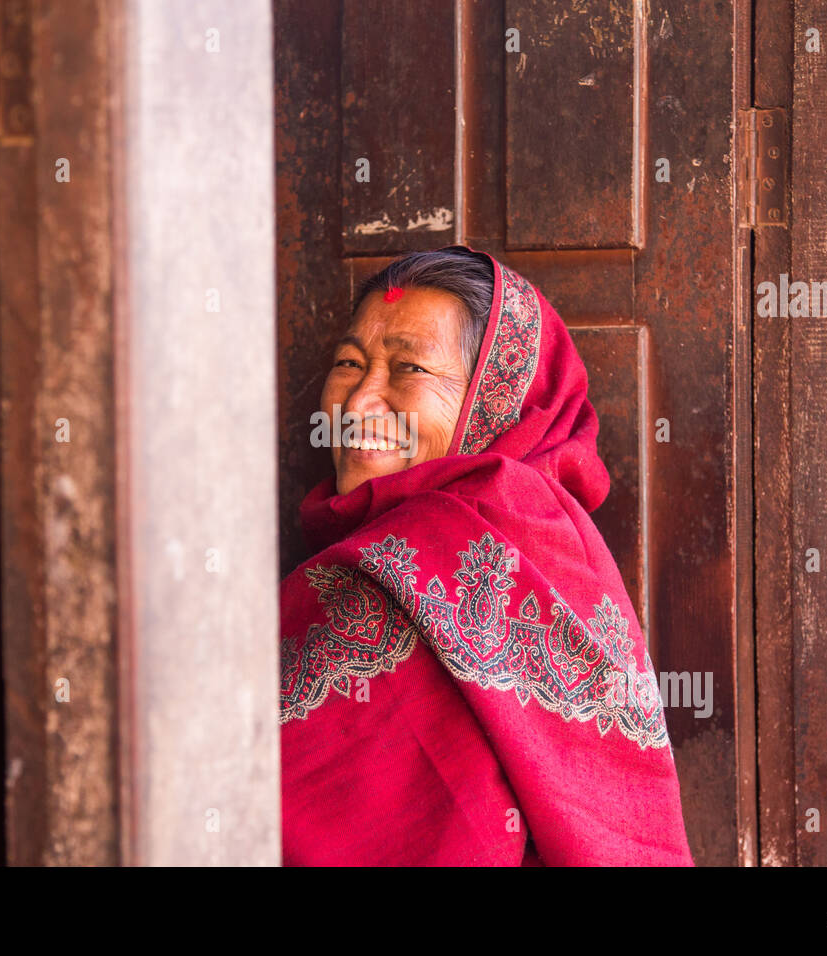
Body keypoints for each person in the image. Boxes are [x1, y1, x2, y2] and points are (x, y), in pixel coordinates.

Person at [279, 245, 693, 865]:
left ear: (492, 400)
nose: (358, 404)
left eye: (409, 369)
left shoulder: (440, 549)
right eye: (348, 363)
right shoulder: (545, 532)